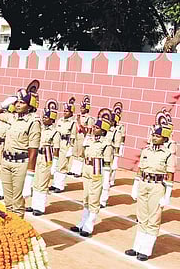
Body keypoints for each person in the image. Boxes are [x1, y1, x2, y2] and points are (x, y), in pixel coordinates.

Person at [125, 110, 175, 261]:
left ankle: (146, 250)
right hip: (143, 184)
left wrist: (167, 196)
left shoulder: (168, 154)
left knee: (153, 220)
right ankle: (137, 246)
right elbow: (140, 169)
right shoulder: (146, 150)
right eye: (153, 134)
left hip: (156, 186)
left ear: (165, 138)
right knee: (142, 217)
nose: (154, 137)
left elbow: (170, 176)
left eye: (158, 136)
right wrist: (135, 185)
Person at [0, 80, 40, 218]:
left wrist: (30, 177)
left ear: (30, 106)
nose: (18, 105)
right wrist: (3, 104)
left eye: (22, 102)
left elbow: (33, 151)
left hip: (21, 164)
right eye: (16, 102)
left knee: (18, 204)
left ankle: (17, 232)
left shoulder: (33, 121)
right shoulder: (13, 118)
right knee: (8, 202)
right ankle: (10, 229)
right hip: (6, 161)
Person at [70, 108, 113, 237]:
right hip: (87, 169)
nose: (93, 129)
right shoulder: (90, 140)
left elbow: (106, 164)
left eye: (96, 127)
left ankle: (89, 226)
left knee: (94, 199)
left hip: (97, 171)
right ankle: (82, 222)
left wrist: (105, 180)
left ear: (103, 130)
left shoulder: (106, 143)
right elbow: (84, 154)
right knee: (86, 197)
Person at [29, 99, 60, 216]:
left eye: (46, 118)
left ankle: (40, 207)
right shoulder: (40, 128)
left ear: (52, 120)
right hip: (37, 157)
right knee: (36, 182)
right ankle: (33, 205)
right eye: (43, 117)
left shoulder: (55, 132)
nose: (43, 119)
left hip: (47, 159)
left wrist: (54, 165)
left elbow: (56, 149)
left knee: (42, 184)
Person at [50, 97, 77, 193]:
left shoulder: (73, 123)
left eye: (67, 111)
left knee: (62, 165)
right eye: (64, 111)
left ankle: (60, 186)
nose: (65, 112)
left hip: (65, 145)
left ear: (71, 113)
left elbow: (73, 136)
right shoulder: (60, 120)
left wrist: (71, 148)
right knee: (56, 164)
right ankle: (54, 184)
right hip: (58, 144)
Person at [70, 95, 94, 177]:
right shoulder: (78, 116)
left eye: (83, 108)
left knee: (80, 154)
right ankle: (73, 169)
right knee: (75, 153)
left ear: (86, 109)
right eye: (81, 107)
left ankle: (78, 171)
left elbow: (88, 130)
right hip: (77, 136)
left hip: (83, 137)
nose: (81, 109)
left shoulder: (89, 118)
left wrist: (79, 122)